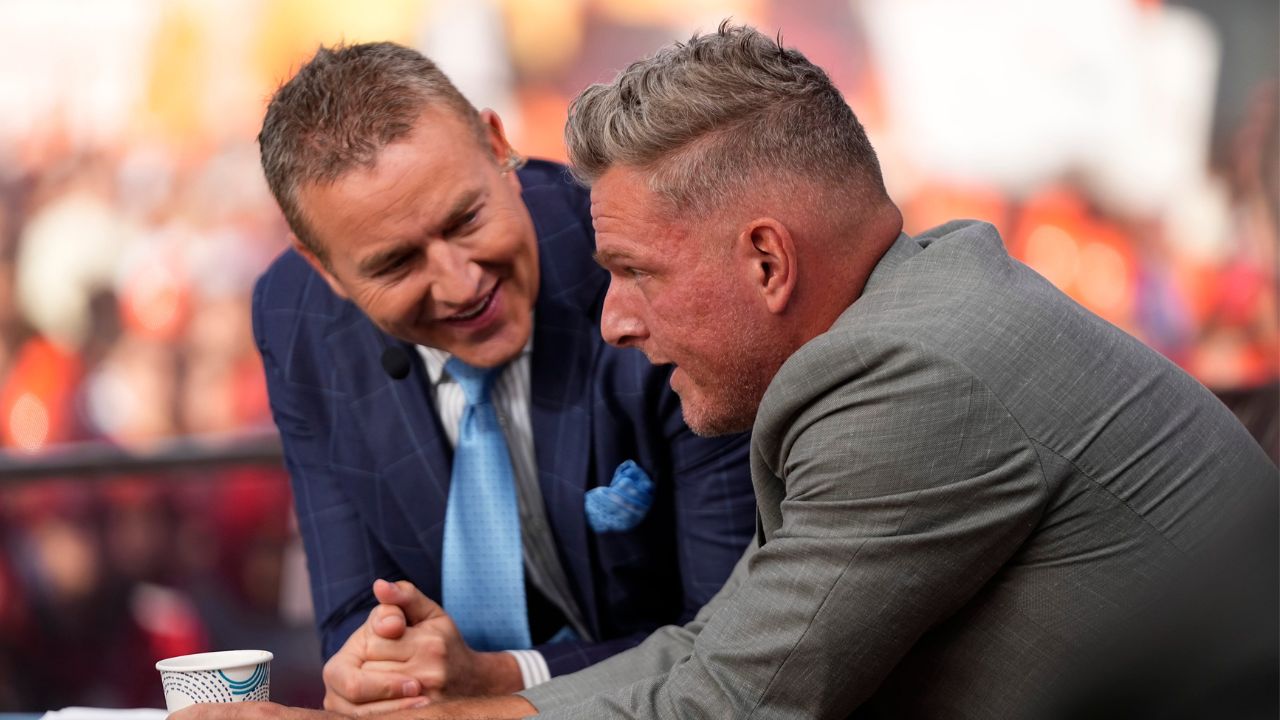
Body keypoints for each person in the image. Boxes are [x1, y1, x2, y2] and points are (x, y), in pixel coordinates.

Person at [181, 22, 1277, 720]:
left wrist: (471, 712)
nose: (610, 318)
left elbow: (734, 694)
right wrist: (453, 684)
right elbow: (729, 655)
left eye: (630, 273)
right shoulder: (911, 318)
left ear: (764, 258)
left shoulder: (899, 379)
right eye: (392, 260)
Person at [249, 41, 756, 710]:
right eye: (396, 264)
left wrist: (503, 681)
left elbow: (735, 642)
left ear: (499, 148)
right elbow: (353, 617)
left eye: (467, 220)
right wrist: (376, 674)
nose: (461, 285)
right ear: (323, 268)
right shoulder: (295, 317)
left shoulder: (649, 264)